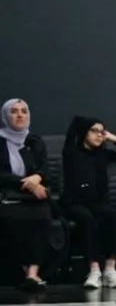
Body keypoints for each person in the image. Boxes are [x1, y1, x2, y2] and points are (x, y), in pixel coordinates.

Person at [60, 116, 116, 289]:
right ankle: (94, 270)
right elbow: (74, 127)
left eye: (102, 132)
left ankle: (110, 269)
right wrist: (84, 124)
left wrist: (113, 138)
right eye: (94, 131)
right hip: (74, 202)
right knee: (87, 220)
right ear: (84, 133)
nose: (99, 135)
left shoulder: (102, 154)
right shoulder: (71, 153)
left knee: (113, 217)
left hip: (97, 202)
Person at [0, 98, 51, 291]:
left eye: (23, 111)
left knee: (43, 218)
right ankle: (22, 270)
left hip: (34, 195)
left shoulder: (34, 141)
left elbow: (45, 168)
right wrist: (27, 183)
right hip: (7, 193)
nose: (20, 115)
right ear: (5, 116)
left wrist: (38, 177)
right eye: (13, 111)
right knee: (12, 220)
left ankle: (33, 273)